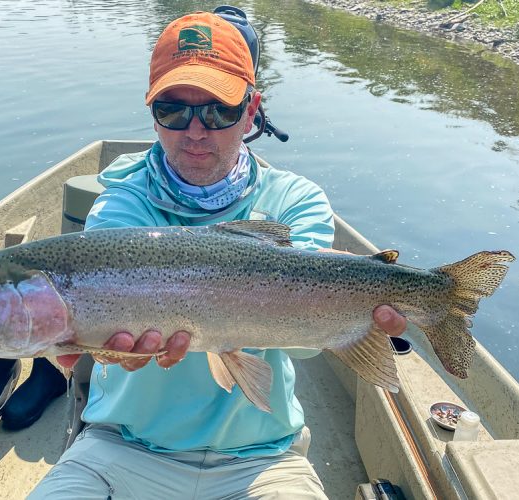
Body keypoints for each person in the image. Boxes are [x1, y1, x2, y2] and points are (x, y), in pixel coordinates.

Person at [29, 10, 407, 499]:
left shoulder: (297, 201)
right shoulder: (121, 202)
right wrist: (87, 346)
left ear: (251, 111)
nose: (195, 131)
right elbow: (97, 332)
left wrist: (356, 310)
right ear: (152, 112)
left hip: (265, 459)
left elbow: (305, 346)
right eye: (173, 110)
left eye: (218, 109)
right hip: (119, 449)